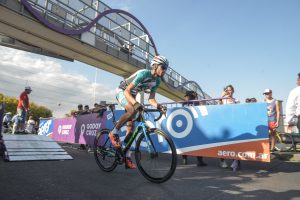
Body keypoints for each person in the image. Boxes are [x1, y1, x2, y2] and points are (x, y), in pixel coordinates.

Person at [110, 55, 169, 169]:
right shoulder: (143, 73)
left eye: (166, 68)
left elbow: (151, 99)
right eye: (163, 67)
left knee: (131, 128)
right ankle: (114, 132)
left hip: (132, 94)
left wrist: (159, 106)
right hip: (123, 91)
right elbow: (127, 90)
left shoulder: (156, 81)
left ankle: (126, 155)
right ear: (155, 66)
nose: (165, 70)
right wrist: (136, 104)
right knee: (132, 110)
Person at [182, 90, 207, 166]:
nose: (185, 97)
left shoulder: (184, 104)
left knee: (185, 143)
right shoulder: (196, 102)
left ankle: (184, 159)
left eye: (186, 96)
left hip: (186, 126)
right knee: (198, 143)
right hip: (196, 125)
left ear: (189, 96)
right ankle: (199, 160)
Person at [219, 85, 240, 170]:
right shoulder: (223, 99)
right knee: (222, 143)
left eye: (230, 90)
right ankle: (222, 161)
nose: (228, 91)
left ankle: (235, 161)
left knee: (235, 143)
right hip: (224, 124)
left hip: (233, 123)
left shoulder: (236, 100)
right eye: (227, 90)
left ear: (233, 91)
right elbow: (218, 107)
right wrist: (221, 96)